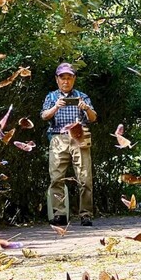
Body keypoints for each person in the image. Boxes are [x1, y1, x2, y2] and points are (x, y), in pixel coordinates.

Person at [41, 63, 97, 226]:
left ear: (74, 79)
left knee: (85, 178)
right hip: (58, 138)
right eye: (62, 78)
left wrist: (86, 108)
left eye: (69, 78)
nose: (66, 81)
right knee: (56, 178)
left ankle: (86, 214)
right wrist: (56, 107)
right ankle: (60, 214)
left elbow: (93, 118)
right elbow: (44, 116)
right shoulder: (51, 97)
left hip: (79, 137)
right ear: (57, 80)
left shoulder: (82, 96)